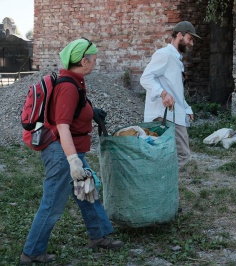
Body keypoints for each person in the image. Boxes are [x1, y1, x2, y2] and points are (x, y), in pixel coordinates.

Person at [20, 38, 123, 264]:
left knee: (88, 190)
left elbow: (72, 113)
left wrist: (90, 112)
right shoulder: (68, 86)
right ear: (83, 61)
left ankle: (98, 236)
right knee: (53, 203)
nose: (96, 63)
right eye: (94, 59)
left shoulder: (76, 81)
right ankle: (32, 252)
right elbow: (62, 126)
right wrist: (73, 161)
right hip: (62, 154)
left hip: (69, 150)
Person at [140, 21, 201, 168]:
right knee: (182, 154)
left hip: (174, 114)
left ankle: (161, 182)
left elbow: (175, 89)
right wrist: (162, 93)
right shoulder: (164, 55)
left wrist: (186, 108)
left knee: (167, 154)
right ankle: (163, 182)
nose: (191, 43)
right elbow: (145, 78)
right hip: (163, 115)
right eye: (189, 39)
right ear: (179, 35)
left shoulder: (176, 59)